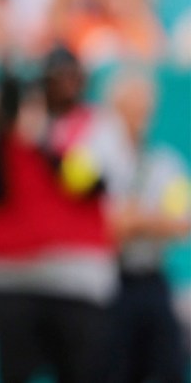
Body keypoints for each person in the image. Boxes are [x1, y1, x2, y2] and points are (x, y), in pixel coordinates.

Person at [0, 48, 128, 383]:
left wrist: (40, 137)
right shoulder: (16, 129)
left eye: (72, 76)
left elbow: (88, 184)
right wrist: (3, 128)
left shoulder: (97, 124)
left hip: (77, 282)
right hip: (13, 279)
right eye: (57, 77)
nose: (66, 85)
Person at [102, 69, 191, 383]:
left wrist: (134, 219)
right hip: (109, 281)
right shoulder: (97, 158)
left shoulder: (164, 162)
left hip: (151, 279)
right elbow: (105, 226)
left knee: (167, 366)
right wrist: (149, 220)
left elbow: (181, 223)